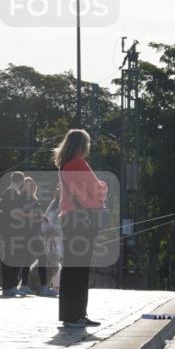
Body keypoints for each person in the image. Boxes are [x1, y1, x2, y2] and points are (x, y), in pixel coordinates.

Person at [56, 129, 109, 327]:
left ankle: (69, 315)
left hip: (69, 218)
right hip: (83, 220)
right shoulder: (79, 164)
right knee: (80, 268)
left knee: (71, 268)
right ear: (81, 146)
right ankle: (77, 314)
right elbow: (98, 190)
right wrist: (103, 185)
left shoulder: (65, 166)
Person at [19, 177, 55, 296]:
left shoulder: (34, 198)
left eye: (33, 185)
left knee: (27, 259)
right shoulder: (23, 198)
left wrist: (43, 217)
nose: (32, 187)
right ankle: (44, 286)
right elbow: (22, 213)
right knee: (42, 257)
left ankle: (24, 285)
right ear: (24, 187)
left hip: (35, 231)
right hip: (29, 233)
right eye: (29, 185)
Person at [0, 171, 30, 297]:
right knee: (13, 258)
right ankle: (9, 286)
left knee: (13, 258)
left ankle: (11, 285)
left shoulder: (9, 193)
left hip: (11, 231)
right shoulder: (11, 194)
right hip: (12, 232)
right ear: (21, 181)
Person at [42, 188, 64, 291]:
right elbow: (45, 219)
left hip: (64, 238)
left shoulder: (70, 203)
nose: (61, 191)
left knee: (62, 261)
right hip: (52, 239)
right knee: (53, 261)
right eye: (59, 189)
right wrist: (47, 232)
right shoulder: (53, 204)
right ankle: (54, 286)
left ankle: (59, 286)